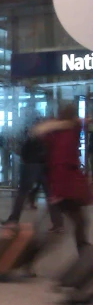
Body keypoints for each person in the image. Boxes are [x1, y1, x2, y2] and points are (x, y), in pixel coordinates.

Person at [33, 105, 91, 255]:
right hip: (64, 189)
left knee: (75, 223)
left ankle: (84, 256)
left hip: (63, 187)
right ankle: (84, 256)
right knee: (77, 223)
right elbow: (59, 165)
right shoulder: (63, 136)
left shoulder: (60, 132)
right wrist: (57, 192)